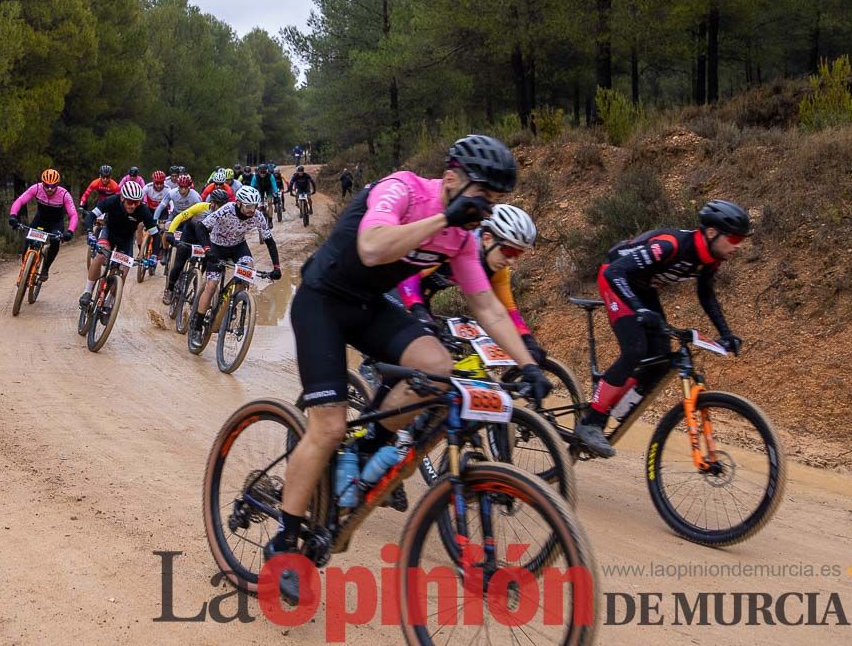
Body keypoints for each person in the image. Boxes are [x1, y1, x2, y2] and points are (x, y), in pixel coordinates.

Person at [264, 134, 552, 604]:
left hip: (368, 306)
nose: (487, 209)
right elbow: (374, 246)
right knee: (328, 426)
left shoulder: (461, 235)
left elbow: (488, 306)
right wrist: (442, 218)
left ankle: (368, 446)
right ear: (453, 178)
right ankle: (284, 544)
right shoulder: (403, 189)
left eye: (497, 201)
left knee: (439, 367)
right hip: (322, 302)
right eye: (484, 196)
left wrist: (528, 363)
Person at [572, 199, 752, 458]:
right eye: (734, 238)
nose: (739, 245)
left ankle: (611, 402)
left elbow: (706, 294)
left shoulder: (711, 257)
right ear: (712, 232)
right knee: (635, 349)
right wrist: (638, 308)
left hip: (644, 287)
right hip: (616, 277)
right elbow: (617, 272)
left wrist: (726, 333)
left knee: (659, 359)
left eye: (742, 239)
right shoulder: (671, 244)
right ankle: (591, 421)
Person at [397, 204, 546, 363]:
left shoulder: (498, 269)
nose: (511, 261)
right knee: (413, 353)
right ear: (488, 239)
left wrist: (528, 341)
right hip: (397, 285)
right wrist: (418, 311)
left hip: (421, 297)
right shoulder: (456, 244)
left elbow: (509, 310)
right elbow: (407, 276)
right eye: (509, 252)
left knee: (441, 361)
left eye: (518, 254)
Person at [188, 185, 282, 346]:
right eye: (248, 206)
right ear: (238, 203)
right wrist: (207, 249)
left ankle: (233, 302)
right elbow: (201, 227)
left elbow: (269, 241)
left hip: (238, 246)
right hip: (217, 247)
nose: (252, 210)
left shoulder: (257, 216)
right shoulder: (226, 210)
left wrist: (277, 267)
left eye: (255, 206)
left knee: (248, 267)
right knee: (211, 285)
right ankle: (197, 326)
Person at [80, 180, 160, 308]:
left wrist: (154, 256)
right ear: (122, 198)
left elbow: (156, 235)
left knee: (124, 270)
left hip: (126, 239)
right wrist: (90, 233)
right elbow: (91, 216)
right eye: (130, 202)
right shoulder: (112, 201)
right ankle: (87, 291)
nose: (133, 206)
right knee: (100, 256)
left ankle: (110, 301)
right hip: (109, 233)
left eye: (137, 202)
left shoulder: (143, 210)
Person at [161, 187, 229, 305]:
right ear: (212, 203)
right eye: (219, 204)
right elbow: (180, 217)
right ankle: (169, 289)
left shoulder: (225, 214)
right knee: (178, 263)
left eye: (224, 205)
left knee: (208, 262)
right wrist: (171, 232)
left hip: (205, 240)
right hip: (189, 236)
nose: (222, 208)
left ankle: (197, 286)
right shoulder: (200, 207)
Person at [8, 168, 77, 281]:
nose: (50, 188)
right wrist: (13, 216)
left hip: (56, 223)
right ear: (42, 183)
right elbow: (20, 201)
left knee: (55, 242)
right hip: (40, 220)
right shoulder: (36, 188)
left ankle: (45, 268)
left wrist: (70, 231)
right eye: (47, 185)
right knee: (28, 241)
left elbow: (73, 215)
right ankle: (26, 267)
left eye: (53, 186)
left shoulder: (64, 194)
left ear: (57, 184)